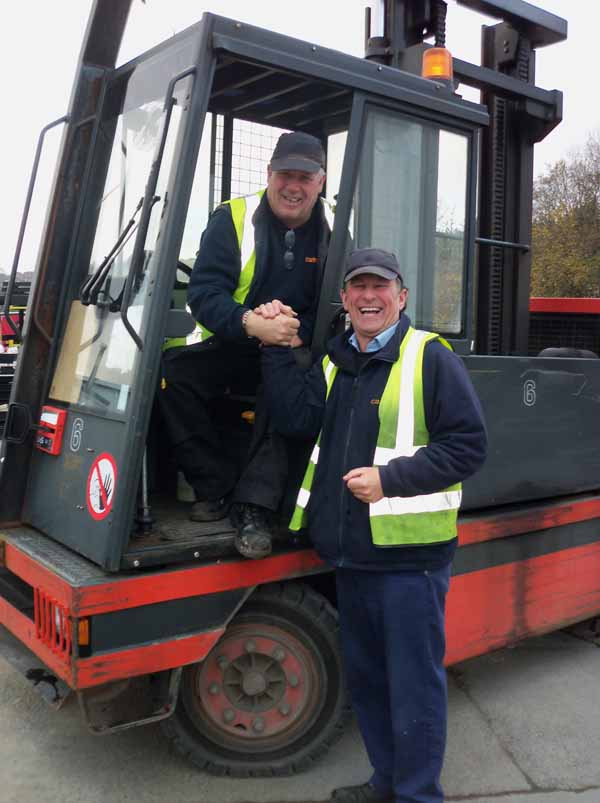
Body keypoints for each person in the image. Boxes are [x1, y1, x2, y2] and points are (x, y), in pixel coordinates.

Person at [260, 247, 488, 803]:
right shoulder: (338, 362)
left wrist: (391, 480)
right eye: (357, 287)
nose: (368, 296)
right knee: (370, 684)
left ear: (401, 297)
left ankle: (417, 795)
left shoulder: (429, 356)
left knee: (414, 688)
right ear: (344, 299)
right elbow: (295, 419)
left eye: (379, 287)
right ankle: (386, 782)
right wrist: (274, 348)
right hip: (351, 556)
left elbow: (468, 447)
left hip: (409, 560)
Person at [160, 132, 332, 559]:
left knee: (287, 388)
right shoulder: (232, 218)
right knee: (171, 376)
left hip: (293, 344)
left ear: (320, 182)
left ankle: (254, 509)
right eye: (285, 175)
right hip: (235, 338)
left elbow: (334, 302)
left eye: (304, 178)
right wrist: (251, 322)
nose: (294, 186)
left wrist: (294, 330)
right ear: (269, 174)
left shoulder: (335, 227)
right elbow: (204, 294)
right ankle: (213, 486)